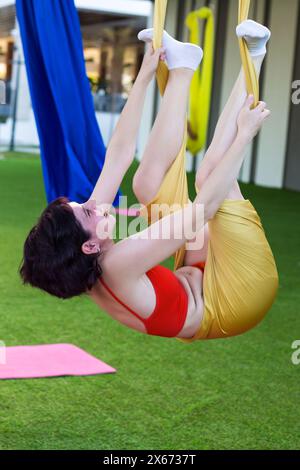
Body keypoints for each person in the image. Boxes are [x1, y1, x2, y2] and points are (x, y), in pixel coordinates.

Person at [20, 20, 278, 341]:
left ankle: (183, 67)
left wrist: (142, 78)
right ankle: (254, 54)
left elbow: (118, 157)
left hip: (200, 273)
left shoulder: (90, 253)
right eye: (86, 211)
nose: (94, 204)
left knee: (146, 185)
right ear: (88, 245)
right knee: (211, 171)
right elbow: (204, 209)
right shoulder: (115, 264)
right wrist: (244, 134)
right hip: (239, 297)